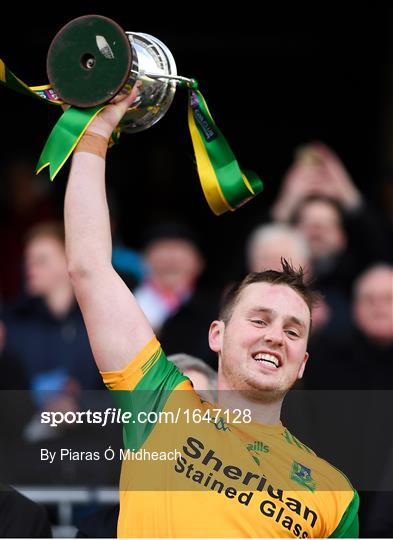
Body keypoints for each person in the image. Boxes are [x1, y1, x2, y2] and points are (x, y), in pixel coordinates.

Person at [64, 87, 359, 537]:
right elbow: (89, 269)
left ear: (303, 363)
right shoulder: (159, 404)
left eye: (293, 330)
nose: (275, 336)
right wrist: (94, 131)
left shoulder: (334, 496)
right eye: (259, 320)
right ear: (216, 335)